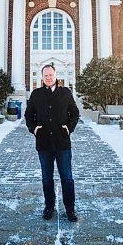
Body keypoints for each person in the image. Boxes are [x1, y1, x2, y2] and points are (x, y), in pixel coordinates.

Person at [24, 64, 80, 222]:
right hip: (44, 143)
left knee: (67, 177)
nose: (48, 78)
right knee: (47, 178)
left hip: (62, 142)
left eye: (50, 75)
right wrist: (33, 128)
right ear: (42, 77)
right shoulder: (36, 94)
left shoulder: (65, 93)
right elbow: (28, 115)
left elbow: (75, 112)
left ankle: (70, 209)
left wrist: (69, 127)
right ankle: (49, 206)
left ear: (56, 76)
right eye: (45, 75)